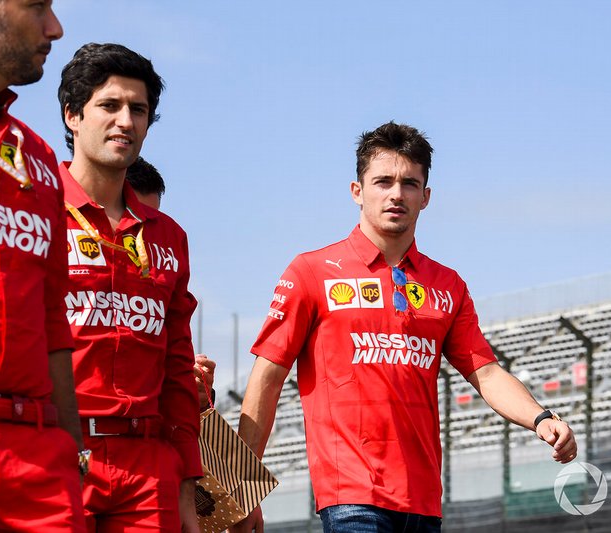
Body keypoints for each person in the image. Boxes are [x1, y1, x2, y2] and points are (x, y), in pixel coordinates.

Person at [232, 121, 577, 532]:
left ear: (426, 197)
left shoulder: (447, 284)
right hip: (352, 498)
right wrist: (241, 488)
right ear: (357, 191)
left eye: (409, 183)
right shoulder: (311, 271)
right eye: (383, 181)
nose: (396, 194)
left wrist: (541, 418)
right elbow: (267, 378)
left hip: (425, 502)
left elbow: (485, 372)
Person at [57, 43, 201, 532]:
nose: (125, 121)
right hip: (56, 450)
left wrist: (186, 481)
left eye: (138, 110)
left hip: (149, 466)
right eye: (109, 105)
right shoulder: (33, 208)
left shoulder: (169, 235)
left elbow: (179, 365)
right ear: (73, 115)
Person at [0, 2, 88, 531]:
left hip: (37, 463)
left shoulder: (37, 159)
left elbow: (53, 317)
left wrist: (70, 449)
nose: (55, 27)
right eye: (36, 5)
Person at [126, 155, 216, 410]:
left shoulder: (166, 269)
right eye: (135, 219)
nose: (145, 234)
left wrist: (197, 392)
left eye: (153, 221)